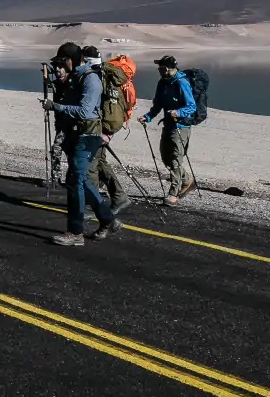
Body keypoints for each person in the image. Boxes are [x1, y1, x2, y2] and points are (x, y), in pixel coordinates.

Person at [40, 49, 121, 246]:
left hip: (88, 135)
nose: (60, 65)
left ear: (71, 59)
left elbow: (85, 111)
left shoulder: (90, 79)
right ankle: (108, 219)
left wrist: (56, 106)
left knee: (76, 181)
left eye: (62, 61)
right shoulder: (77, 77)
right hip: (78, 134)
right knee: (79, 180)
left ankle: (75, 232)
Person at [82, 45, 133, 212]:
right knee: (100, 162)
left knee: (90, 165)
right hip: (106, 127)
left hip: (99, 128)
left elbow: (101, 106)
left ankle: (92, 206)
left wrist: (105, 132)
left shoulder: (98, 76)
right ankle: (119, 197)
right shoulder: (107, 73)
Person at [140, 55, 197, 203]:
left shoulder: (182, 83)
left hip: (180, 126)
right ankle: (187, 181)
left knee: (175, 160)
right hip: (168, 125)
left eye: (160, 68)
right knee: (166, 158)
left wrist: (178, 112)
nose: (158, 70)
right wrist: (148, 116)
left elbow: (191, 106)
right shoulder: (162, 83)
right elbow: (158, 104)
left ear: (166, 69)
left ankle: (173, 193)